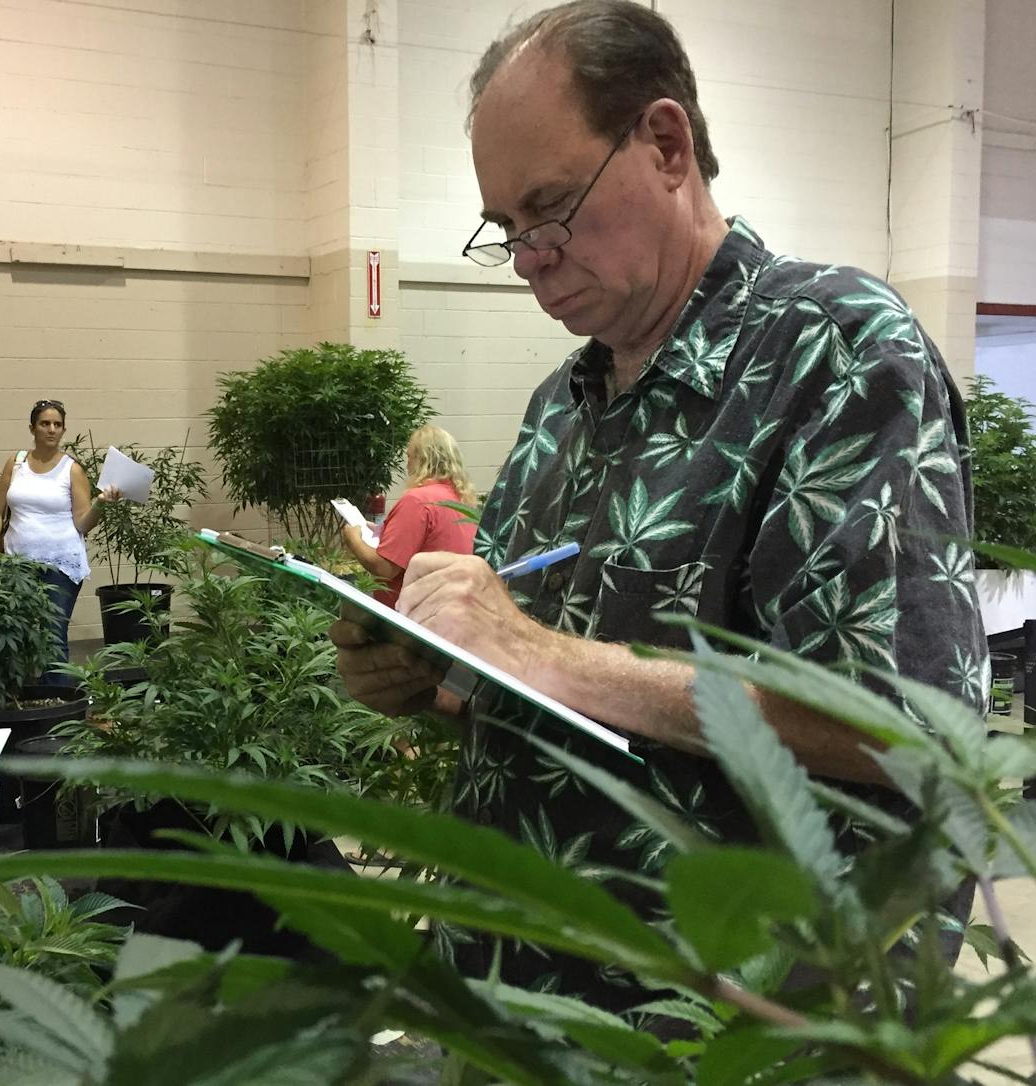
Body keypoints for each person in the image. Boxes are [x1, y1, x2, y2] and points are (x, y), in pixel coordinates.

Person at [329, 0, 986, 1004]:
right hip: (523, 994)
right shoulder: (562, 408)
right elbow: (537, 686)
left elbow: (906, 730)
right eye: (504, 228)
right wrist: (432, 668)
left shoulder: (836, 353)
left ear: (665, 144)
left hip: (721, 1022)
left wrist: (533, 652)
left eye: (547, 207)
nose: (527, 257)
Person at [0, 399, 122, 683]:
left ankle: (57, 703)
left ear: (64, 429)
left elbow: (83, 522)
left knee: (53, 635)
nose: (51, 430)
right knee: (14, 632)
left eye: (57, 424)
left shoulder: (72, 470)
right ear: (32, 428)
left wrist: (100, 504)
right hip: (18, 564)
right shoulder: (16, 462)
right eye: (45, 423)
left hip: (60, 565)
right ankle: (23, 696)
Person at [339, 425, 479, 608]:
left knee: (343, 626)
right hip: (452, 605)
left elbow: (384, 569)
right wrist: (383, 530)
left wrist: (354, 540)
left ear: (422, 459)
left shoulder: (417, 501)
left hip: (413, 613)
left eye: (409, 457)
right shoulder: (461, 499)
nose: (407, 465)